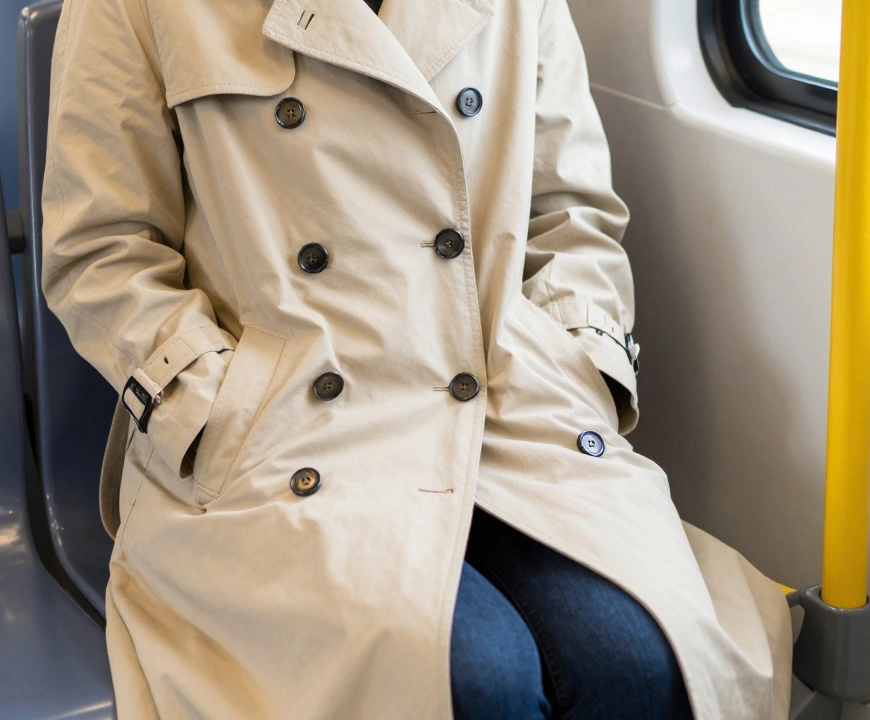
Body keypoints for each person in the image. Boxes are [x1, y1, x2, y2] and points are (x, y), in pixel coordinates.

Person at [40, 0, 793, 717]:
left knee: (644, 660)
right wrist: (222, 405)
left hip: (504, 405)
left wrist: (573, 371)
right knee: (470, 682)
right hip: (291, 430)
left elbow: (572, 215)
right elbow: (100, 252)